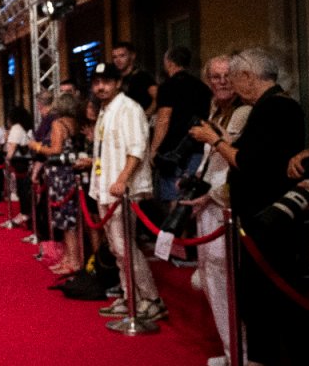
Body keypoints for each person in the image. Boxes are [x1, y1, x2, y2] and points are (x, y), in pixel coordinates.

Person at [190, 48, 309, 366]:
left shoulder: (277, 110)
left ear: (248, 76)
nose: (231, 84)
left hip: (270, 225)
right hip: (255, 221)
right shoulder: (269, 109)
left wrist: (216, 140)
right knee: (259, 301)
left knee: (277, 303)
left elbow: (250, 163)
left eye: (235, 76)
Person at [182, 55, 251, 366]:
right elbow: (211, 160)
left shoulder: (244, 113)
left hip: (225, 206)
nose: (222, 82)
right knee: (211, 281)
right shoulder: (216, 110)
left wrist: (211, 195)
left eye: (228, 76)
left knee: (226, 282)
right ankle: (230, 350)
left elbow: (235, 159)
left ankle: (241, 357)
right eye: (216, 76)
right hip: (208, 203)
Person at [80, 62, 163, 320]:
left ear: (118, 83)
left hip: (122, 190)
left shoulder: (129, 108)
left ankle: (151, 299)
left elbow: (137, 148)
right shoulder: (105, 111)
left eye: (106, 81)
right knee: (117, 248)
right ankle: (130, 297)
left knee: (125, 246)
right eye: (96, 82)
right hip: (106, 187)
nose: (100, 87)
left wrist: (123, 180)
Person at [149, 47, 211, 204]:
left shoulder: (167, 86)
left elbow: (163, 119)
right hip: (197, 148)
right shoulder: (203, 87)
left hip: (173, 152)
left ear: (168, 63)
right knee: (192, 198)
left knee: (174, 199)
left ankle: (175, 229)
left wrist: (154, 150)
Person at [30, 93, 82, 275]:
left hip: (60, 175)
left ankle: (72, 260)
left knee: (66, 221)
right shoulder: (74, 123)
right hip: (69, 173)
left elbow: (56, 150)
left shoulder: (58, 124)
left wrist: (36, 147)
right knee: (69, 220)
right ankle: (69, 258)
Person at [112, 41, 155, 114]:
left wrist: (145, 115)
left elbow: (158, 98)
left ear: (132, 56)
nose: (118, 60)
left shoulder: (142, 76)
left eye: (122, 56)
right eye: (114, 57)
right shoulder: (115, 78)